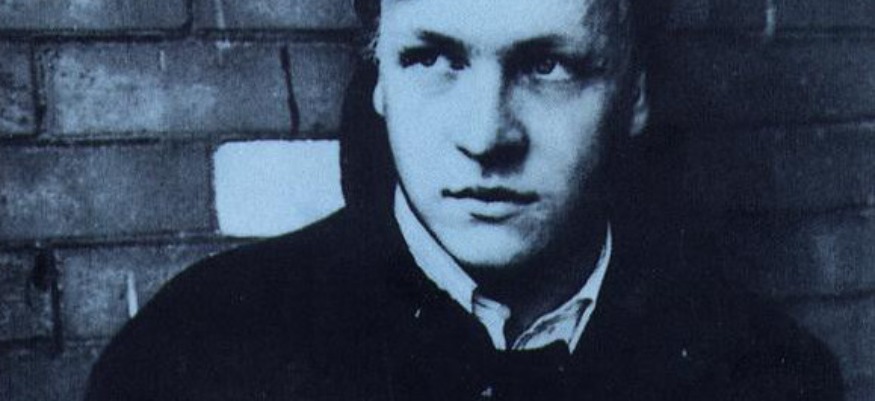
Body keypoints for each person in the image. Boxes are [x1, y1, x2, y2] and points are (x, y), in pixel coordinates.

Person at [85, 0, 844, 400]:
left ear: (636, 93)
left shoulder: (765, 374)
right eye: (432, 58)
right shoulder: (194, 355)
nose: (485, 136)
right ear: (380, 80)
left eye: (548, 65)